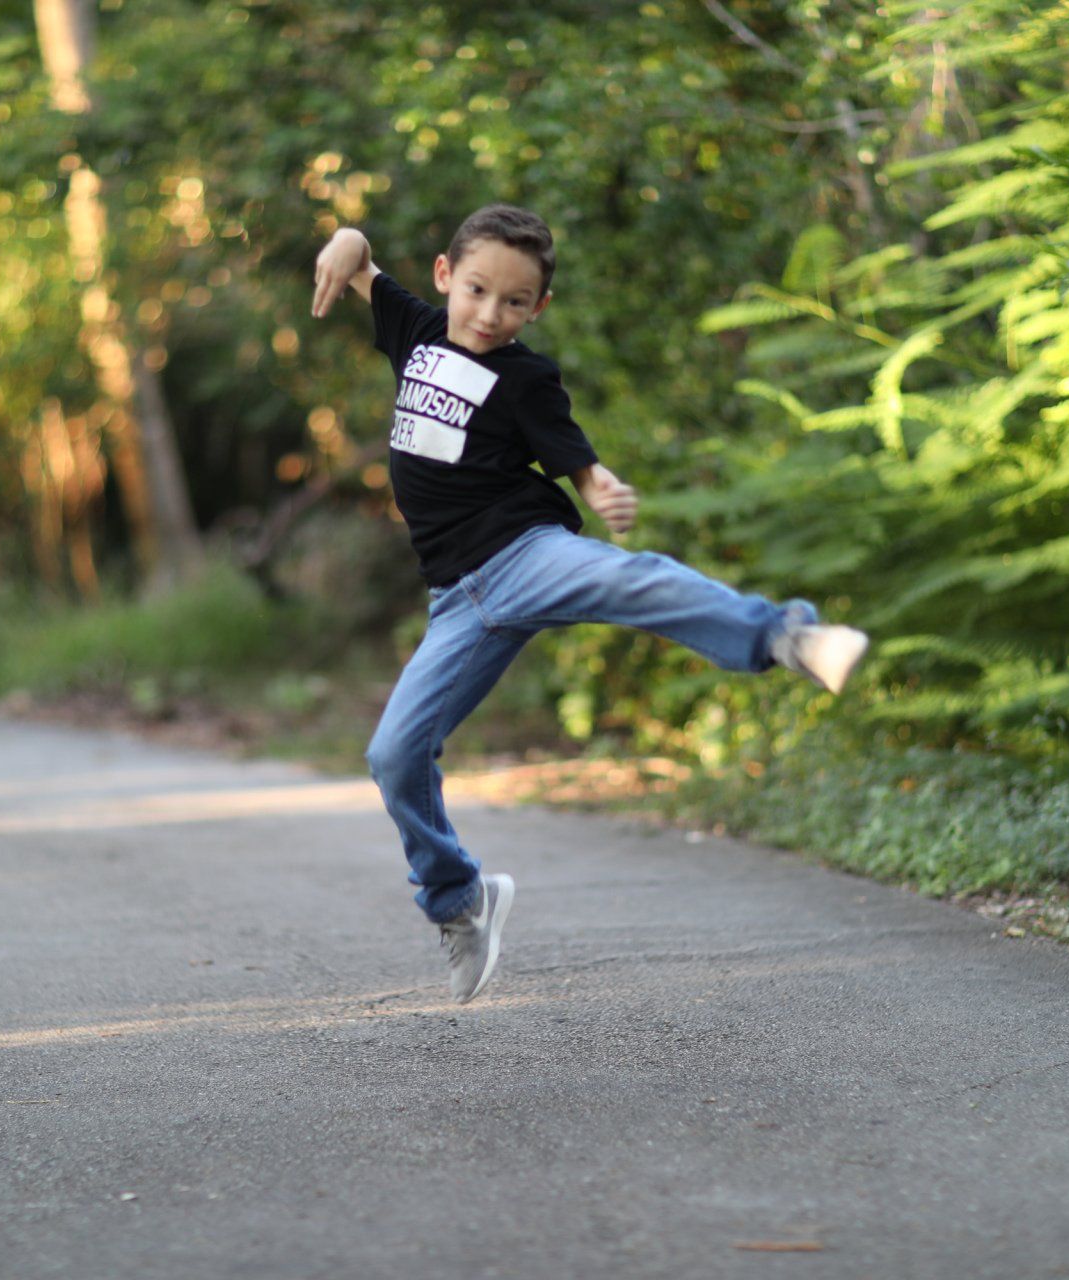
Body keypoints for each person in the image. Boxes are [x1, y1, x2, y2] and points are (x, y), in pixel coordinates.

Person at [310, 203, 867, 1004]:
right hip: (457, 605)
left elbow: (577, 459)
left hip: (525, 557)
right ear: (445, 276)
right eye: (475, 290)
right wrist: (343, 242)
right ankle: (461, 901)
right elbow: (361, 259)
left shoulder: (526, 377)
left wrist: (602, 488)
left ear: (538, 307)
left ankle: (788, 637)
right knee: (392, 757)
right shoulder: (416, 329)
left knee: (630, 579)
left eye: (513, 302)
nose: (489, 314)